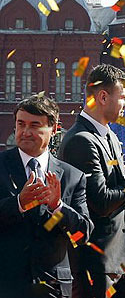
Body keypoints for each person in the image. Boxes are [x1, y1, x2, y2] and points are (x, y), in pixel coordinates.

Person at [58, 64, 125, 298]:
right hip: (96, 266)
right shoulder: (81, 141)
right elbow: (101, 202)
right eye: (123, 97)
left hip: (122, 261)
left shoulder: (110, 136)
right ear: (103, 97)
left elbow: (118, 188)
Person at [0, 95, 93, 298]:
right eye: (21, 124)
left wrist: (58, 207)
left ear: (54, 129)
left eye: (34, 125)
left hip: (54, 288)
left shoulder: (72, 176)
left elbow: (82, 235)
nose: (25, 132)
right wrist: (18, 203)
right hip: (6, 285)